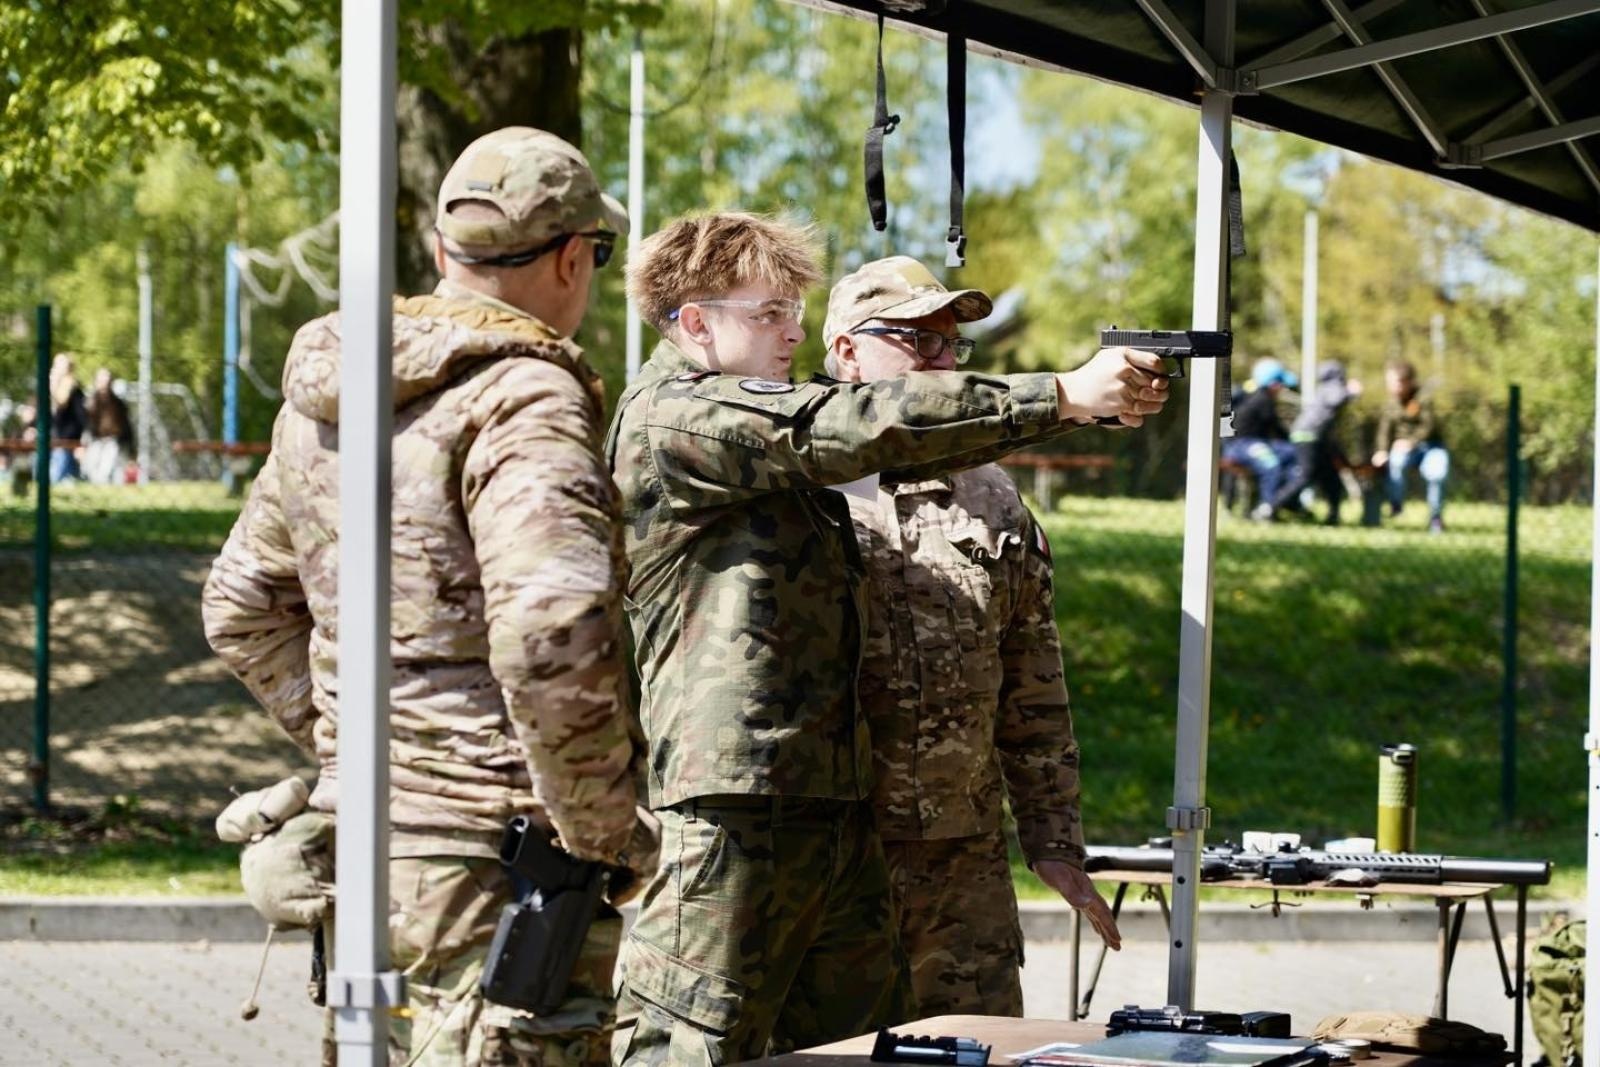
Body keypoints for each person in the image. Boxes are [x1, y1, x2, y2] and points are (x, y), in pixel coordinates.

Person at [607, 211, 1168, 1066]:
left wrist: (1052, 834)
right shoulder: (680, 416)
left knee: (881, 1049)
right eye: (768, 313)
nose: (791, 330)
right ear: (694, 321)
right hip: (734, 810)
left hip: (828, 812)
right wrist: (1059, 394)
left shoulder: (803, 455)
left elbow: (893, 445)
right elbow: (848, 426)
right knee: (687, 1048)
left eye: (795, 310)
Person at [202, 126, 656, 1067]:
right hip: (500, 866)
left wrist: (362, 747)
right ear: (573, 257)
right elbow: (549, 631)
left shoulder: (324, 396)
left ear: (445, 252)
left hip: (371, 844)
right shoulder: (524, 394)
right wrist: (610, 829)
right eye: (597, 256)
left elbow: (241, 606)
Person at [820, 255, 1121, 1018]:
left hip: (962, 858)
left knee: (975, 1045)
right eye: (917, 341)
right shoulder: (796, 477)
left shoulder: (989, 489)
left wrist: (1054, 839)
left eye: (952, 345)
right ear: (846, 350)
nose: (943, 363)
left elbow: (1032, 678)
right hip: (829, 852)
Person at [1269, 360, 1362, 526]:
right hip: (1308, 436)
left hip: (1314, 438)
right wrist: (1351, 391)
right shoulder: (1332, 387)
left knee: (1331, 478)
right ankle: (1270, 507)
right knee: (1305, 476)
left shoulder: (1323, 388)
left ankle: (1333, 516)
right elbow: (1337, 399)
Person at [1373, 359, 1449, 533]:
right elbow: (1384, 430)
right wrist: (1381, 451)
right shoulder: (1391, 403)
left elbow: (1428, 426)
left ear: (1407, 381)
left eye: (1395, 382)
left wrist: (1411, 442)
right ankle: (1396, 506)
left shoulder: (1423, 398)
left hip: (1431, 447)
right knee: (1396, 462)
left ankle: (1435, 518)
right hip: (1402, 450)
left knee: (1437, 474)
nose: (1391, 386)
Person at [1224, 358, 1301, 522]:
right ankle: (1266, 508)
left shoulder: (1260, 398)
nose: (1282, 388)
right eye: (1280, 384)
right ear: (1273, 384)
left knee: (1291, 453)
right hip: (1242, 445)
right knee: (1271, 465)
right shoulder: (1262, 400)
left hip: (1253, 443)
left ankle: (1288, 503)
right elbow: (1276, 429)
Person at [83, 368, 133, 485]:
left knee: (106, 469)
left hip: (112, 440)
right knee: (90, 468)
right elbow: (85, 423)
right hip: (95, 439)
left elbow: (126, 425)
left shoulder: (118, 404)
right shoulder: (90, 402)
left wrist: (130, 446)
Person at [47, 353, 87, 484]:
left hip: (66, 442)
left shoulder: (74, 391)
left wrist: (80, 441)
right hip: (51, 441)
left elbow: (81, 418)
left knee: (57, 479)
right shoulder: (49, 390)